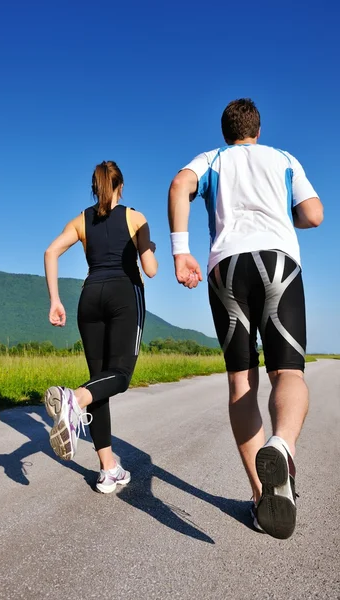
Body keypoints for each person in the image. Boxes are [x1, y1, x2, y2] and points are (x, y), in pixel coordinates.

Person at [167, 98, 323, 539]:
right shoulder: (284, 158)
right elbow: (314, 214)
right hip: (278, 259)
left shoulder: (212, 158)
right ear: (257, 128)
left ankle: (262, 496)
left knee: (241, 383)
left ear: (226, 131)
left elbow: (181, 184)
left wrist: (181, 250)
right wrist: (286, 214)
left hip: (227, 266)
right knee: (288, 372)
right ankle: (283, 445)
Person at [44, 160, 157, 493]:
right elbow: (149, 269)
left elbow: (51, 252)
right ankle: (73, 400)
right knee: (119, 376)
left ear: (96, 188)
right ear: (120, 186)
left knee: (100, 384)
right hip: (124, 293)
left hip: (89, 296)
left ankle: (108, 468)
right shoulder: (136, 217)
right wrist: (148, 248)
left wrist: (55, 300)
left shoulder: (81, 219)